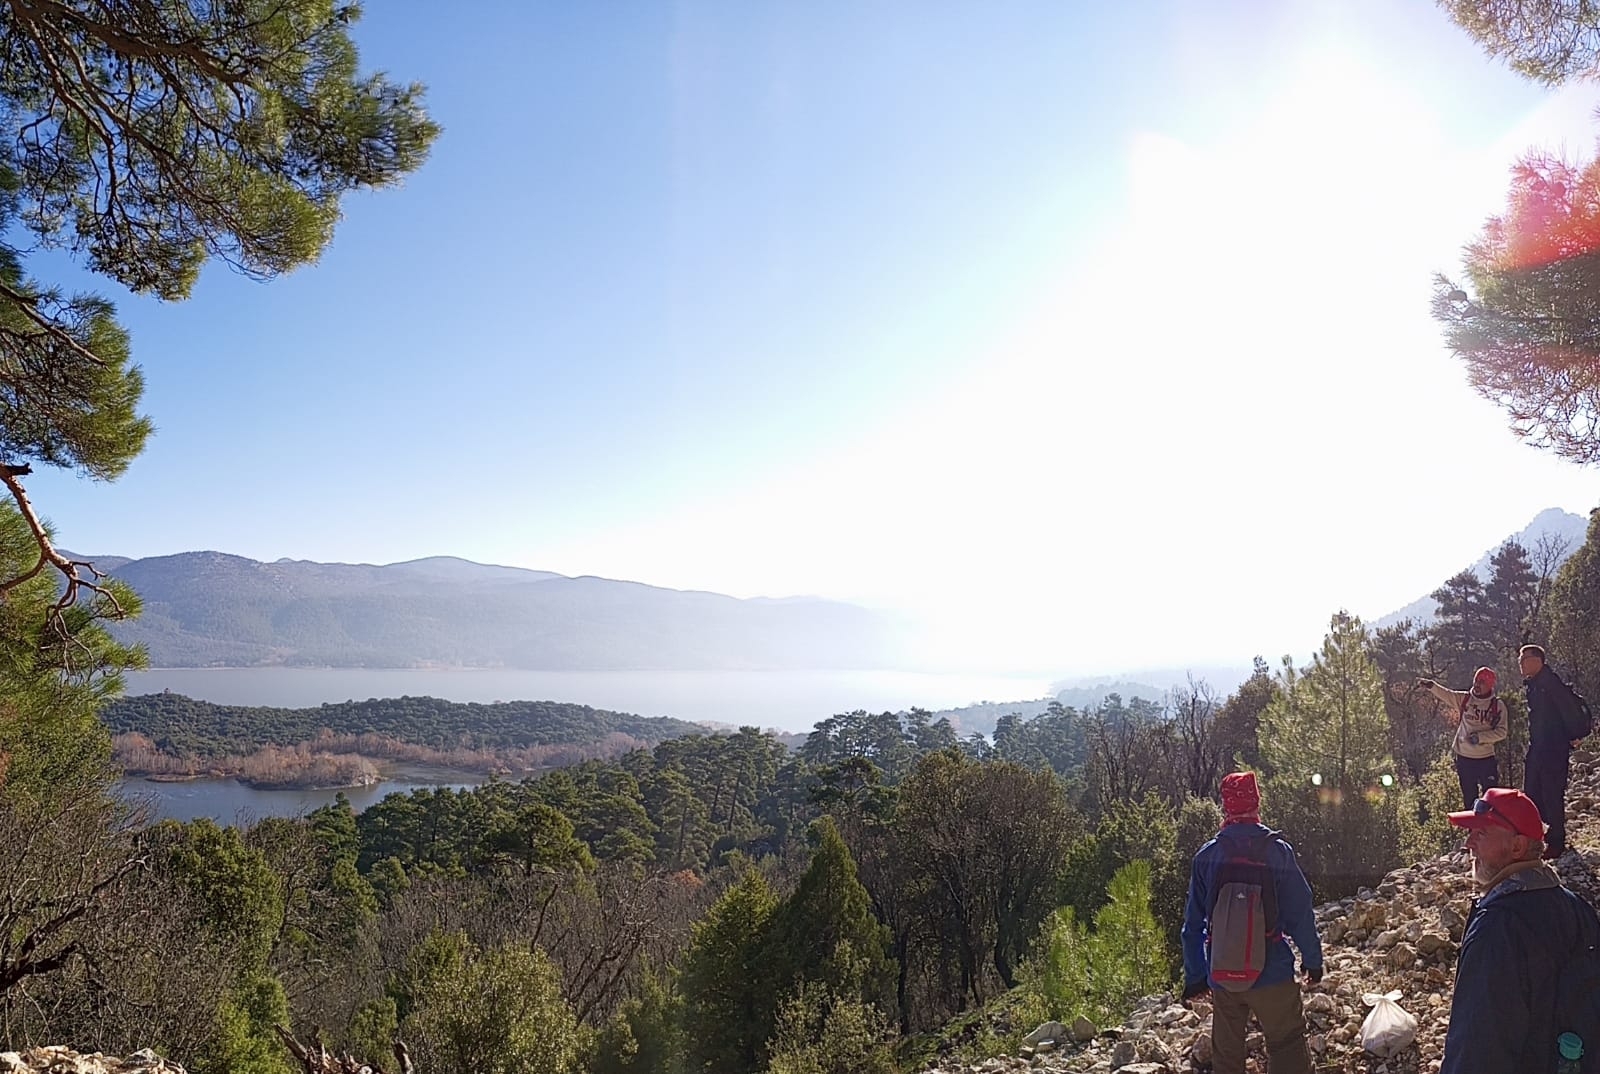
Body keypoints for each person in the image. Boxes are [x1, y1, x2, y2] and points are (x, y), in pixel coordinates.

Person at [1439, 788, 1600, 1074]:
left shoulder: (1497, 929)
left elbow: (1478, 1048)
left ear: (1517, 847)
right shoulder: (1577, 908)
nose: (1468, 844)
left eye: (1481, 833)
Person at [1181, 772, 1323, 1074]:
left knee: (1227, 1057)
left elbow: (1192, 926)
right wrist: (1312, 960)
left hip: (1223, 976)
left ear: (1226, 806)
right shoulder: (1278, 851)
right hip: (1273, 972)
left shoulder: (1207, 856)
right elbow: (1300, 912)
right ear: (1257, 802)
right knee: (1287, 1045)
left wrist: (1196, 978)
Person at [1520, 644, 1588, 859]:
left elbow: (1568, 709)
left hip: (1553, 749)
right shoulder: (1533, 684)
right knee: (1532, 794)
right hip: (1537, 748)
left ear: (1537, 660)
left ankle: (1556, 843)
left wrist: (1575, 736)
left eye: (1524, 659)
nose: (1520, 663)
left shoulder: (1550, 683)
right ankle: (1538, 838)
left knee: (1551, 794)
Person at [1417, 667, 1508, 810]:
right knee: (1469, 800)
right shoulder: (1464, 699)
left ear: (1490, 685)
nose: (1477, 684)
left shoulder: (1498, 706)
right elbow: (1447, 694)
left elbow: (1502, 732)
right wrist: (1431, 686)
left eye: (1482, 682)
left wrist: (1480, 738)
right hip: (1464, 758)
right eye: (1476, 680)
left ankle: (1490, 824)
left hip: (1486, 758)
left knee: (1491, 800)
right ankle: (1472, 825)